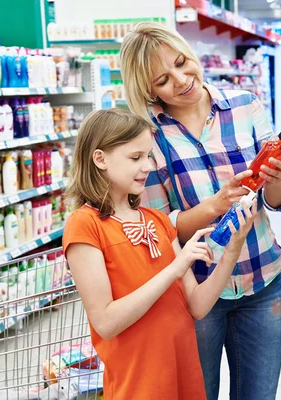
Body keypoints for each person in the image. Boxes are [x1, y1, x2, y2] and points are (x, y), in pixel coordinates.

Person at [120, 22, 281, 400]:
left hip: (262, 280)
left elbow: (276, 200)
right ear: (148, 90)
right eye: (163, 80)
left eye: (183, 63)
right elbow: (161, 227)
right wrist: (216, 204)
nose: (182, 80)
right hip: (196, 294)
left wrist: (277, 177)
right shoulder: (148, 136)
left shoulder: (245, 105)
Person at [63, 108, 257, 399]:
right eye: (135, 157)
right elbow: (105, 321)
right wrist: (175, 268)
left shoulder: (157, 221)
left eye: (148, 157)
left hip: (183, 370)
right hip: (138, 381)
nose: (147, 167)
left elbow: (197, 306)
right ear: (100, 159)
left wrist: (233, 250)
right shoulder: (85, 225)